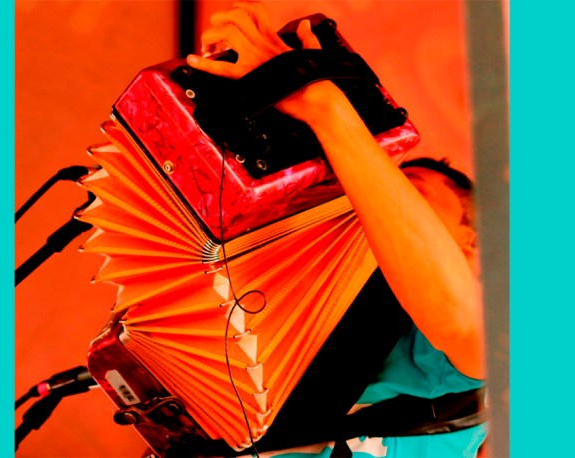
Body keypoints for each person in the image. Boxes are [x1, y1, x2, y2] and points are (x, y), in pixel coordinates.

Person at [185, 2, 487, 456]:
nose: (371, 202)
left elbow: (465, 326)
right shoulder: (296, 297)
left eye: (412, 191)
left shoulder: (473, 356)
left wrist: (327, 108)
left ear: (475, 242)